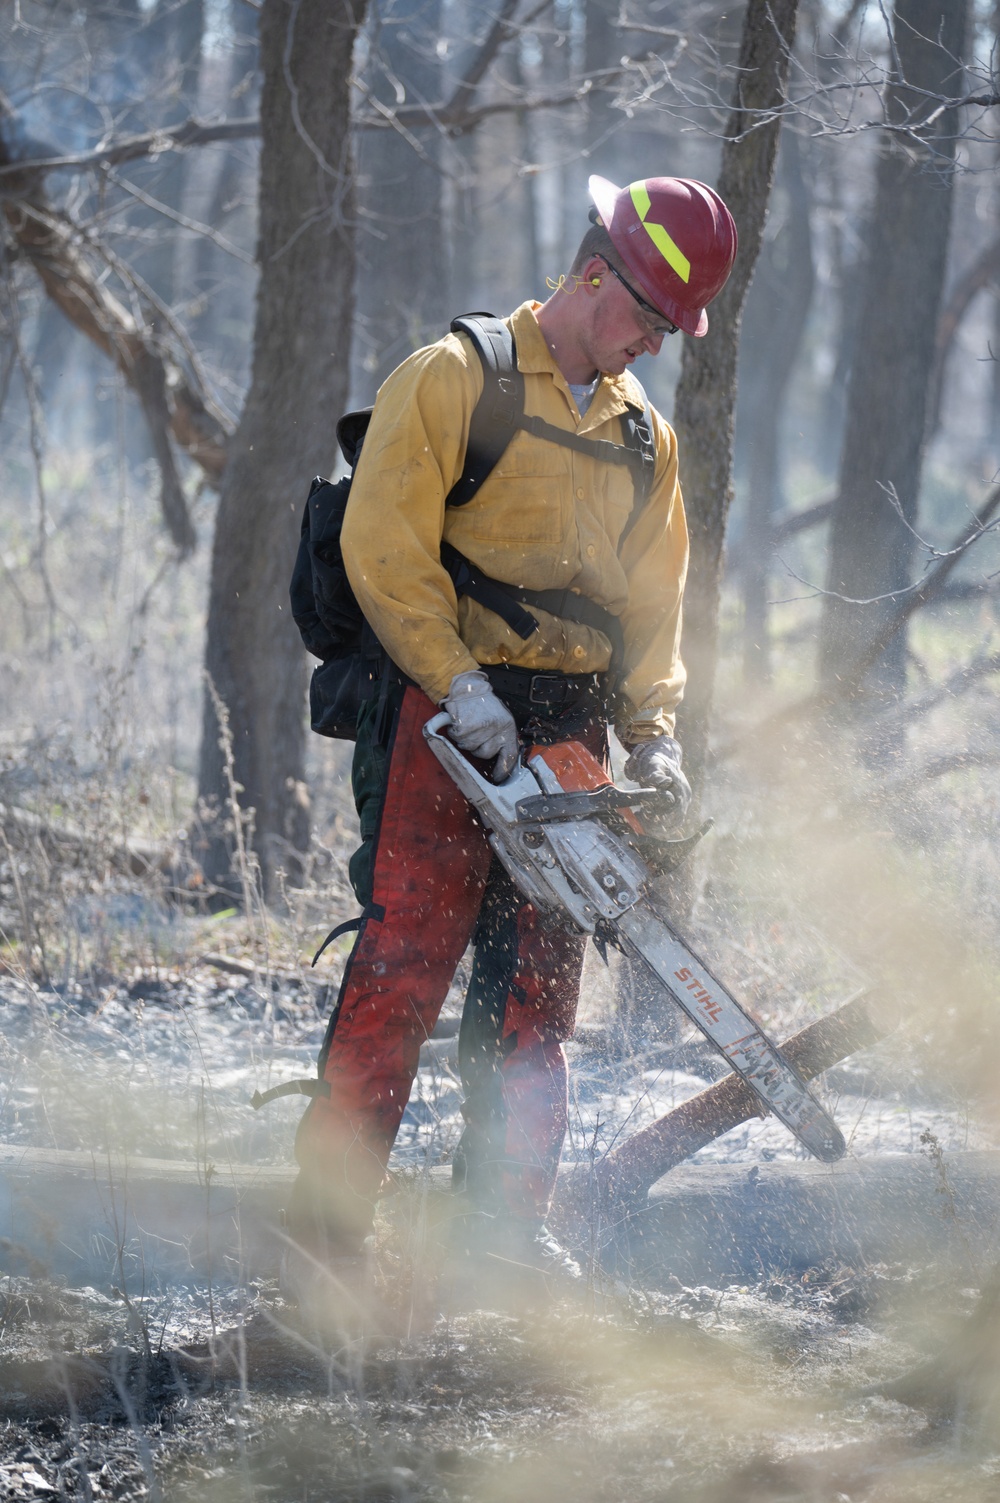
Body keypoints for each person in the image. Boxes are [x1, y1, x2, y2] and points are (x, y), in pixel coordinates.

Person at [283, 174, 737, 1316]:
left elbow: (652, 610)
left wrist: (655, 734)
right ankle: (325, 1234)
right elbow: (386, 550)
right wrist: (456, 684)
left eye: (667, 332)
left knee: (538, 991)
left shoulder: (644, 438)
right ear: (594, 275)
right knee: (402, 965)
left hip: (571, 737)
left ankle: (500, 1234)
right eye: (646, 318)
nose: (650, 344)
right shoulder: (453, 380)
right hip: (444, 719)